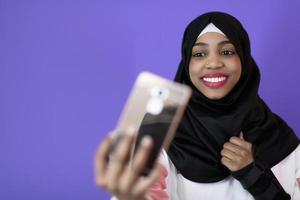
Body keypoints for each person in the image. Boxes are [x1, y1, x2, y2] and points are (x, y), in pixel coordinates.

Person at [94, 12, 300, 200]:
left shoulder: (279, 139)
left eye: (227, 52)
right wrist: (130, 196)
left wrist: (254, 175)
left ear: (244, 60)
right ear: (186, 64)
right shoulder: (161, 135)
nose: (213, 63)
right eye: (199, 54)